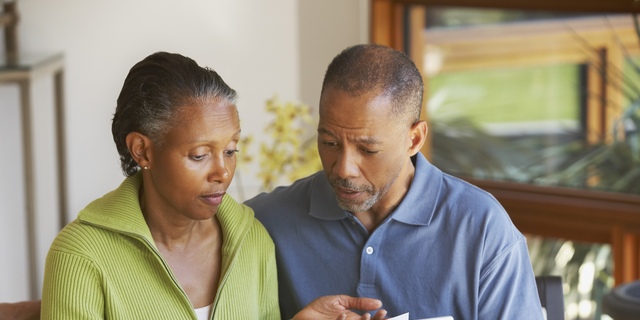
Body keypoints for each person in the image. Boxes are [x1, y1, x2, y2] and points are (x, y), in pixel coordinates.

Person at [40, 51, 386, 320]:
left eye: (231, 150)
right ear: (142, 150)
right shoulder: (81, 255)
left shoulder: (252, 240)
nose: (223, 172)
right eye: (199, 155)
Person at [246, 44, 545, 320]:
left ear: (414, 139)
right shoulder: (263, 223)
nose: (344, 169)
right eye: (329, 142)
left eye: (368, 150)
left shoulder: (481, 229)